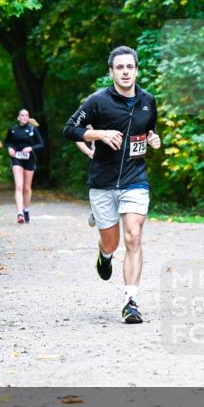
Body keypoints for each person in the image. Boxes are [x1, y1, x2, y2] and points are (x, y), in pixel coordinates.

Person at [63, 46, 161, 324]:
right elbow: (69, 129)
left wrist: (154, 139)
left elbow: (147, 130)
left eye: (130, 67)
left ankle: (131, 301)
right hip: (103, 182)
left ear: (137, 70)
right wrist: (99, 134)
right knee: (112, 241)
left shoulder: (148, 101)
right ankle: (104, 256)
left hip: (135, 180)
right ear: (111, 72)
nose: (126, 72)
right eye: (120, 67)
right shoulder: (97, 101)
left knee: (133, 235)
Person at [5, 109, 44, 224]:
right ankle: (20, 213)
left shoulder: (33, 129)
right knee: (19, 186)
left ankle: (26, 209)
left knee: (27, 188)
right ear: (18, 117)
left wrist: (31, 148)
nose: (24, 117)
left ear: (28, 117)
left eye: (26, 115)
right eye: (22, 115)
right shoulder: (13, 129)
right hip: (17, 158)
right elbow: (7, 141)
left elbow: (41, 143)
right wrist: (9, 148)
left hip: (29, 159)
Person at [76, 125, 96, 227]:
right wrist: (89, 152)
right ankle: (95, 211)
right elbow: (77, 137)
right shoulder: (86, 119)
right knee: (95, 184)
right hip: (98, 162)